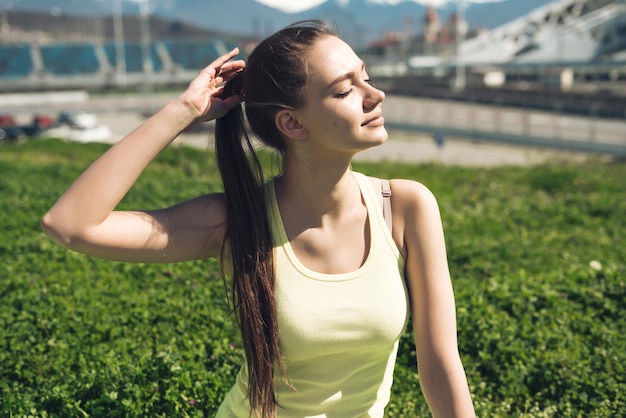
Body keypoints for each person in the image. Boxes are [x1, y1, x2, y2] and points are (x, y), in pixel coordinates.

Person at [41, 20, 475, 418]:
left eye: (367, 77)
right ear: (292, 122)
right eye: (345, 91)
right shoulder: (236, 220)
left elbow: (439, 365)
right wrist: (184, 110)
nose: (374, 94)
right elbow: (70, 224)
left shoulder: (406, 206)